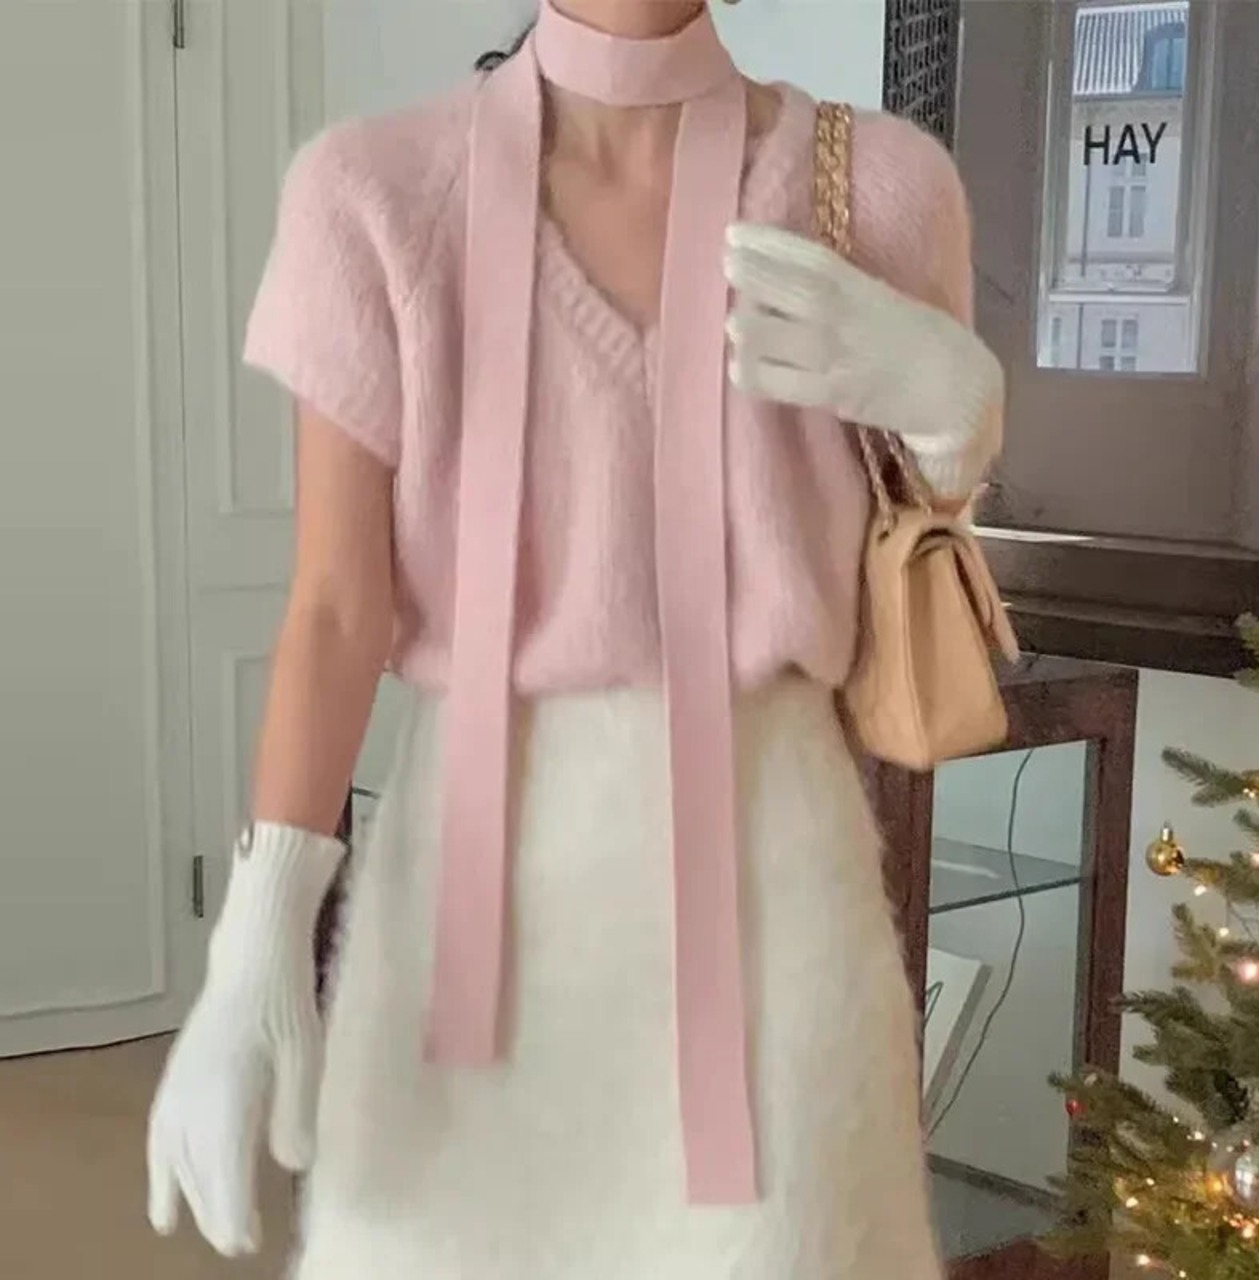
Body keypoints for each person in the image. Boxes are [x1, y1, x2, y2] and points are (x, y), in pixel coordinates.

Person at [145, 1, 1004, 1277]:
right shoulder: (373, 194)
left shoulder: (878, 186)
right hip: (467, 899)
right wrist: (256, 940)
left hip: (776, 898)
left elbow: (922, 534)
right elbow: (335, 602)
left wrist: (957, 415)